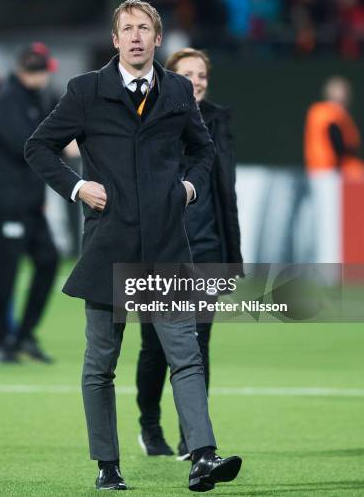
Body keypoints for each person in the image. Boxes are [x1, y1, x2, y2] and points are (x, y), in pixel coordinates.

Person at [24, 0, 242, 492]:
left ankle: (203, 456)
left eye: (146, 28)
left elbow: (204, 150)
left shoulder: (179, 90)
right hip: (109, 250)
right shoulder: (85, 90)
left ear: (158, 39)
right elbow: (37, 146)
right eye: (128, 29)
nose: (137, 36)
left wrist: (189, 184)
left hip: (166, 248)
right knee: (101, 364)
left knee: (185, 355)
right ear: (116, 40)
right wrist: (78, 187)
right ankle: (107, 466)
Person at [136, 47, 244, 460]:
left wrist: (231, 256)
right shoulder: (149, 118)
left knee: (199, 344)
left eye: (202, 75)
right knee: (155, 347)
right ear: (170, 79)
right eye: (187, 74)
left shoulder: (217, 122)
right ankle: (150, 426)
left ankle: (192, 437)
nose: (196, 81)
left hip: (206, 249)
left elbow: (225, 197)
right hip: (159, 251)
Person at [0, 43, 59, 365]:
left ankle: (24, 333)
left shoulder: (35, 98)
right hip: (7, 203)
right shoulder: (6, 101)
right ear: (33, 71)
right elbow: (24, 146)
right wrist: (58, 144)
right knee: (6, 273)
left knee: (48, 260)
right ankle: (1, 342)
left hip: (29, 203)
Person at [304, 76, 364, 176]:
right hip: (328, 170)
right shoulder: (328, 113)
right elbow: (336, 142)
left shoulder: (330, 113)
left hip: (323, 169)